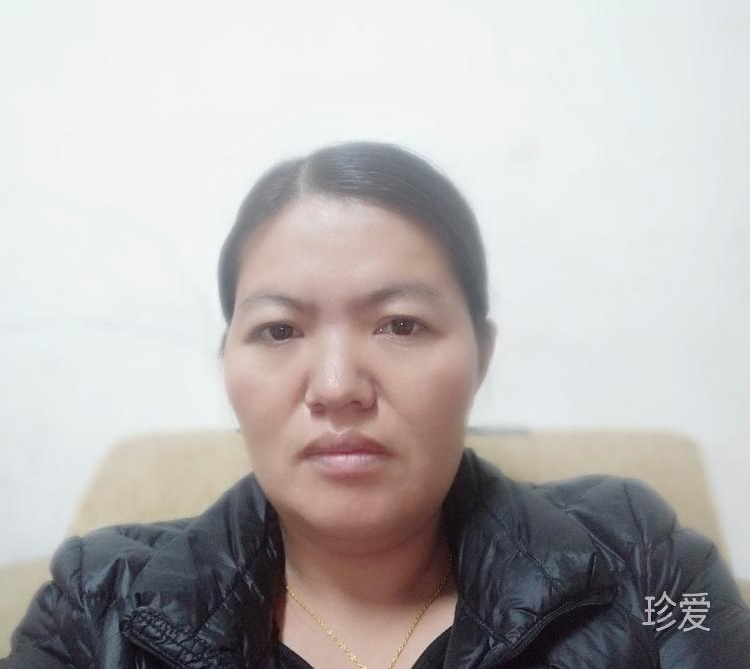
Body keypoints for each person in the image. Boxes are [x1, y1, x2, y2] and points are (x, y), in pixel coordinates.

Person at [2, 141, 749, 668]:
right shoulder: (96, 607)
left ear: (481, 356)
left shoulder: (643, 565)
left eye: (400, 324)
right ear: (227, 364)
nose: (336, 388)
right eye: (279, 330)